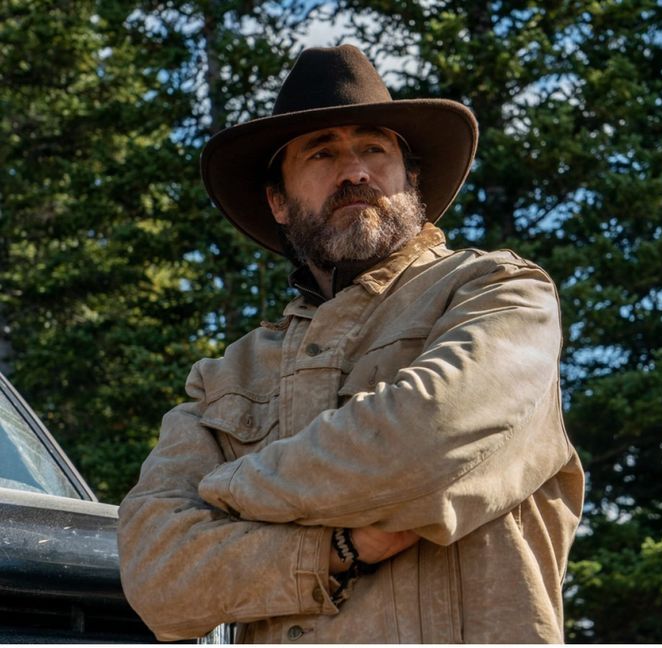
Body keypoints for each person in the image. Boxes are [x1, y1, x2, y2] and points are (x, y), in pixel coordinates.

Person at [118, 44, 585, 643]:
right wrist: (340, 547)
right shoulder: (227, 376)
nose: (356, 171)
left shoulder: (496, 292)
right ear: (278, 202)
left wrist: (230, 492)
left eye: (373, 147)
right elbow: (156, 575)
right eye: (323, 152)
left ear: (410, 178)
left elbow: (427, 438)